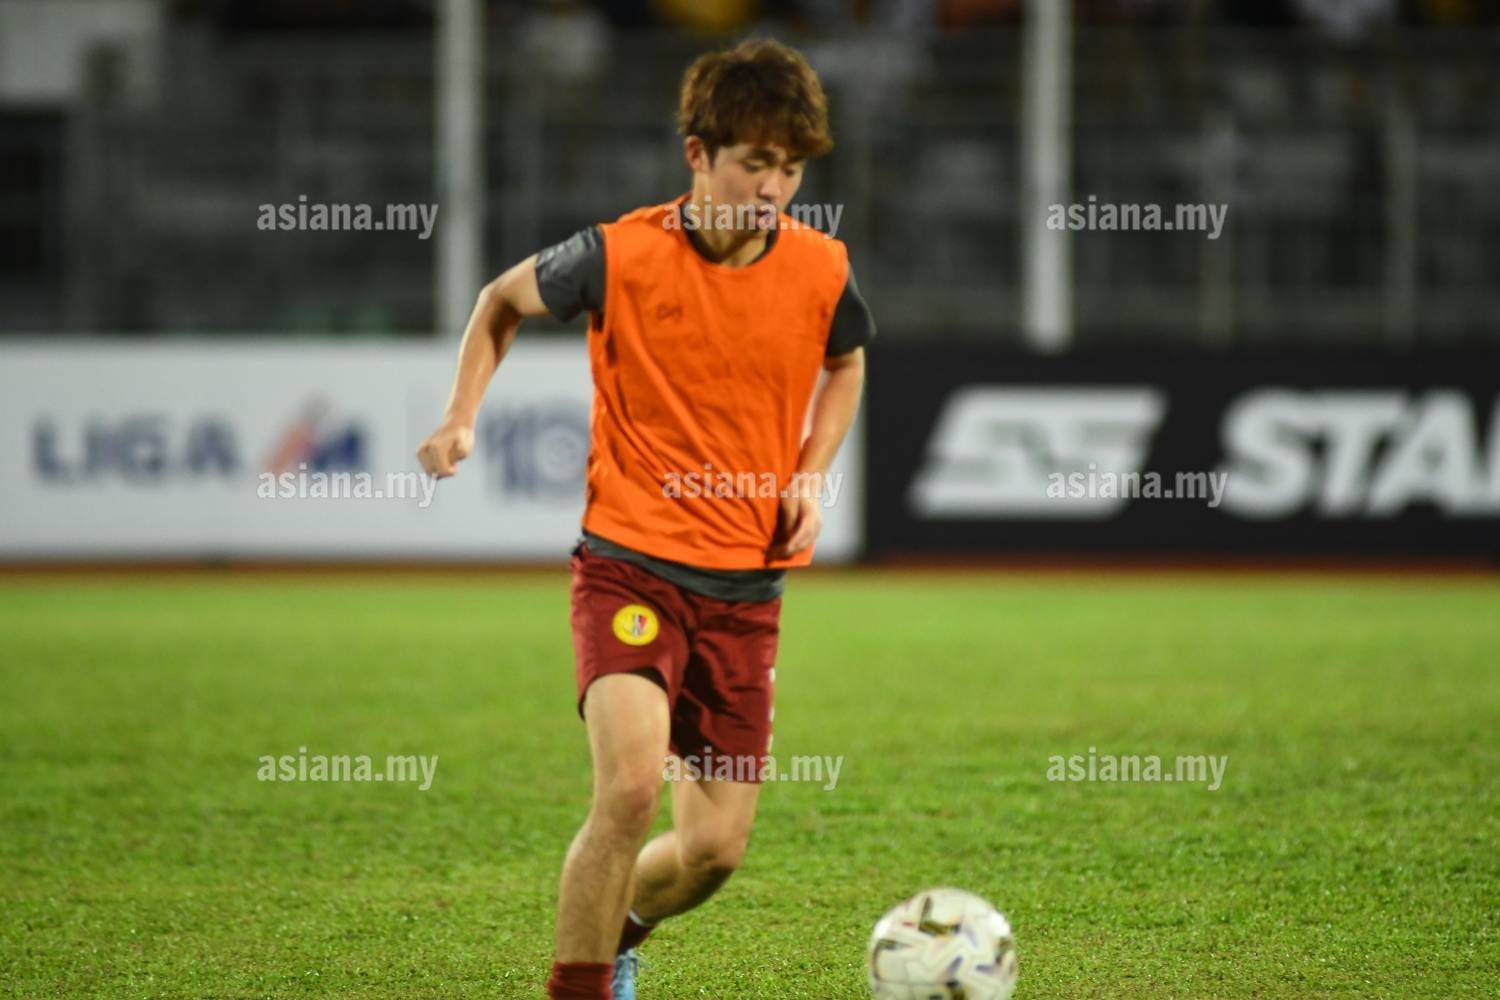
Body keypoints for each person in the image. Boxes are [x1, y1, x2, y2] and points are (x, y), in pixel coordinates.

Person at [416, 37, 874, 1000]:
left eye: (792, 169)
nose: (775, 188)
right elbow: (500, 301)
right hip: (630, 567)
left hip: (746, 589)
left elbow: (845, 363)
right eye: (756, 162)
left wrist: (809, 474)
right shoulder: (618, 253)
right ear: (698, 154)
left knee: (713, 852)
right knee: (628, 790)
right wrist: (460, 416)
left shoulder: (822, 268)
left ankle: (618, 929)